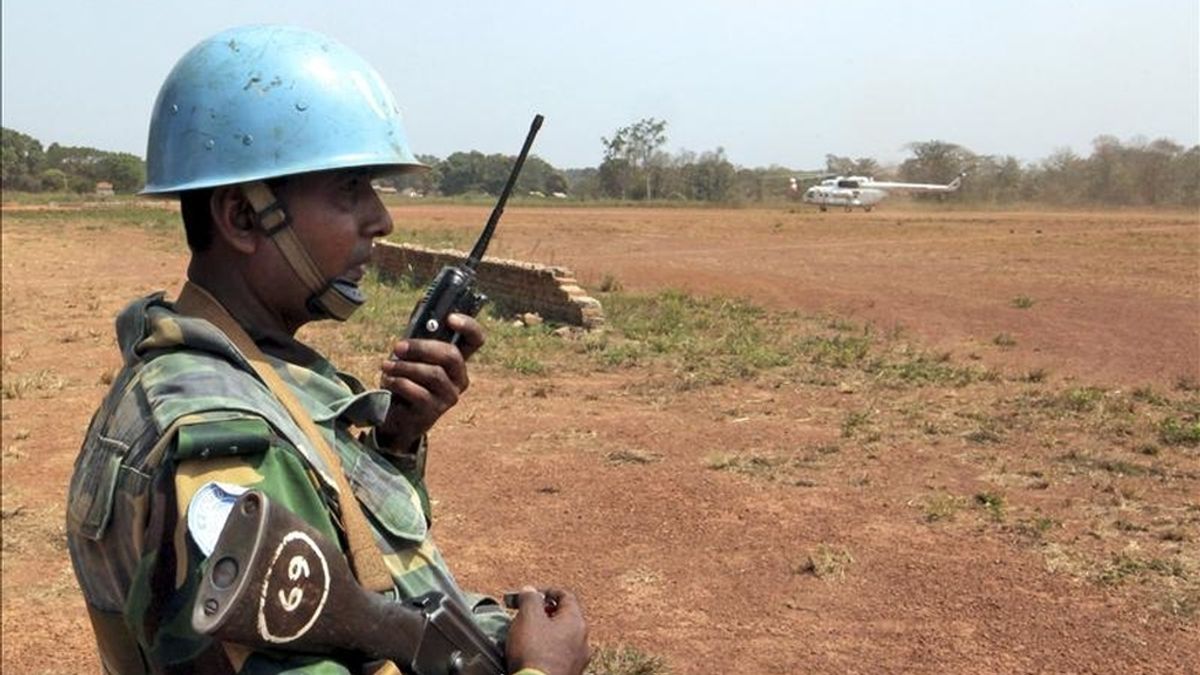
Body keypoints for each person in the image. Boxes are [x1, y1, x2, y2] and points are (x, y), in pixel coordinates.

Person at [65, 24, 589, 675]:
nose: (381, 219)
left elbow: (346, 583)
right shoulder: (226, 443)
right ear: (243, 217)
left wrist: (395, 441)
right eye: (349, 189)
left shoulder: (239, 371)